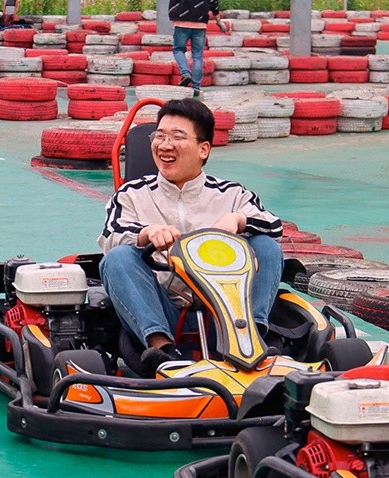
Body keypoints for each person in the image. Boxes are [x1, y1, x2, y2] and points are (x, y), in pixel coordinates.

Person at [98, 98, 284, 378]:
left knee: (266, 246)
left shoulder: (232, 194)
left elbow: (274, 226)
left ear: (203, 149)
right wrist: (146, 233)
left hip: (229, 311)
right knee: (118, 257)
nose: (165, 145)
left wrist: (237, 220)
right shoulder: (132, 194)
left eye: (177, 137)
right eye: (160, 136)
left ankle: (252, 339)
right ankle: (163, 352)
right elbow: (111, 235)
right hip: (162, 305)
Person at [169, 0, 227, 98]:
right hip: (200, 23)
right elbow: (213, 2)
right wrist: (218, 20)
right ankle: (196, 87)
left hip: (181, 21)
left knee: (178, 50)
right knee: (198, 56)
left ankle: (186, 74)